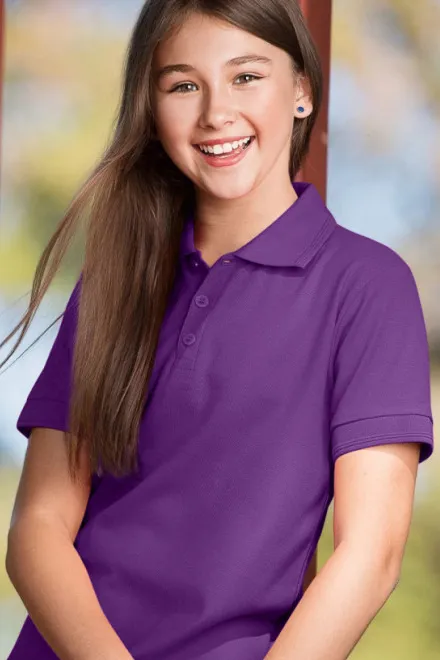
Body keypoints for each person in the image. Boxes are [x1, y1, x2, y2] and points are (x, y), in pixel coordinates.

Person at [3, 0, 434, 659]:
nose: (215, 113)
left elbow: (370, 555)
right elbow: (37, 527)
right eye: (183, 85)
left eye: (246, 76)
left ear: (302, 91)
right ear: (152, 108)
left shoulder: (366, 285)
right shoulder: (114, 281)